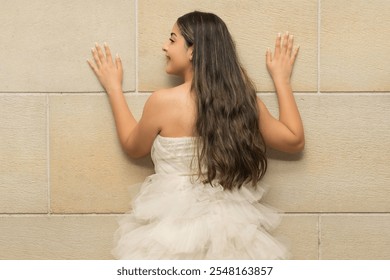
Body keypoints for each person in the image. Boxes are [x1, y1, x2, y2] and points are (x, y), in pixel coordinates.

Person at [88, 11, 304, 259]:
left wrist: (114, 88)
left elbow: (133, 146)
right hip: (229, 226)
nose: (164, 47)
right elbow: (294, 139)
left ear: (192, 50)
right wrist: (282, 80)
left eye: (172, 40)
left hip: (171, 228)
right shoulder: (242, 103)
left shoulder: (162, 102)